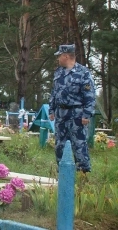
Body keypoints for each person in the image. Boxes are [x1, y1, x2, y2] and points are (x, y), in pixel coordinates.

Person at [48, 44, 95, 173]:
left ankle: (82, 174)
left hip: (77, 114)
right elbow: (54, 92)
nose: (58, 59)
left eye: (59, 56)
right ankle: (62, 172)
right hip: (61, 114)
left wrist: (87, 114)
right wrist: (51, 109)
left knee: (79, 144)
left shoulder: (83, 73)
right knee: (59, 144)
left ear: (66, 56)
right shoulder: (58, 73)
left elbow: (89, 95)